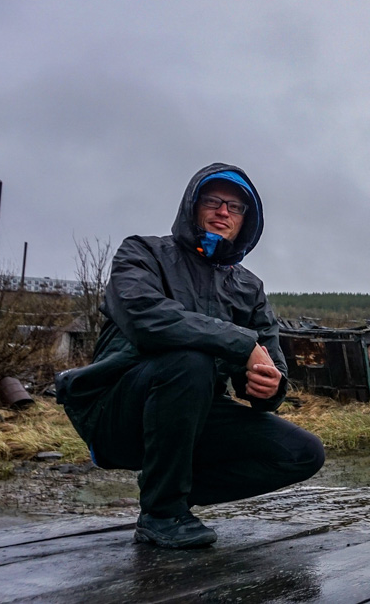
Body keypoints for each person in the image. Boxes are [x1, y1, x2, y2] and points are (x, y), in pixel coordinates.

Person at [57, 163, 325, 549]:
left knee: (303, 453)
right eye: (213, 201)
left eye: (235, 207)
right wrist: (240, 344)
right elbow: (145, 318)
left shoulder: (249, 288)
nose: (223, 212)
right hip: (118, 410)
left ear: (246, 220)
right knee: (189, 361)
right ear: (192, 206)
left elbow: (271, 361)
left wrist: (269, 387)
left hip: (193, 419)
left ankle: (169, 490)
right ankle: (162, 513)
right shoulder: (143, 253)